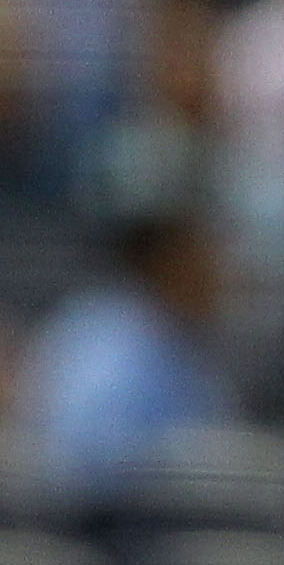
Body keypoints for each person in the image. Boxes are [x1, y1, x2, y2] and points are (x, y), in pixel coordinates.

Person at [21, 181, 230, 503]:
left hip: (166, 516)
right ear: (165, 263)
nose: (219, 275)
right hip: (106, 528)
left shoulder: (183, 341)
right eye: (204, 258)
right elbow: (79, 461)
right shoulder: (107, 340)